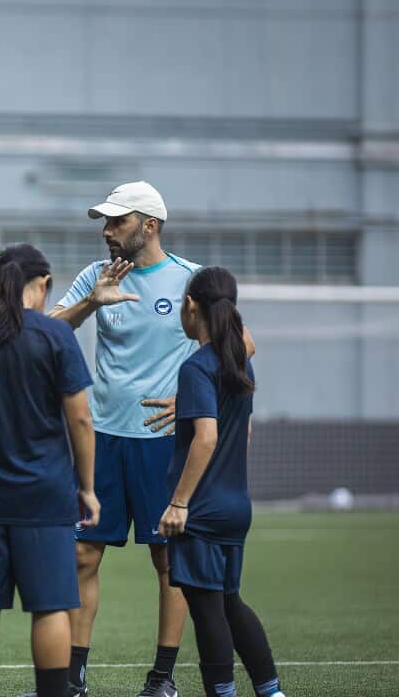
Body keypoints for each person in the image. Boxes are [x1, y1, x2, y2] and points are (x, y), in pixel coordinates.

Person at [47, 181, 204, 697]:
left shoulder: (190, 280)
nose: (108, 232)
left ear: (150, 226)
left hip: (161, 444)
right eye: (106, 223)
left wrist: (193, 398)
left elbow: (239, 348)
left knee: (167, 561)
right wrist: (90, 304)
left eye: (117, 222)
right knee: (83, 557)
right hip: (102, 441)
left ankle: (161, 678)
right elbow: (46, 331)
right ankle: (73, 679)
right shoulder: (96, 276)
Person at [0, 244, 100, 697]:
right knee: (50, 606)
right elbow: (81, 420)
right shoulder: (55, 335)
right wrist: (87, 488)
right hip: (45, 492)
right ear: (44, 283)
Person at [157, 267, 285, 697]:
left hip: (204, 510)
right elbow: (240, 434)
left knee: (207, 608)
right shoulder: (239, 364)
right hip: (235, 504)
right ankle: (271, 691)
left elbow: (206, 437)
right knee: (230, 602)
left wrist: (179, 503)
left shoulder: (196, 368)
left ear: (191, 307)